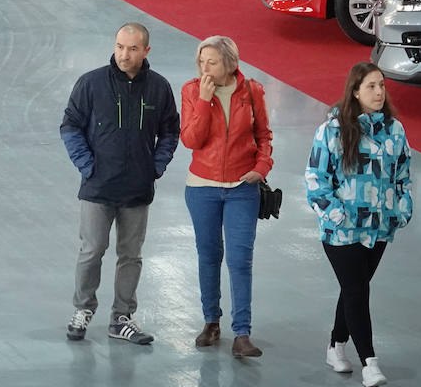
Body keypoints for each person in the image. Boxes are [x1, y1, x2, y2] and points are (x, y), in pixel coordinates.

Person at [60, 23, 180, 344]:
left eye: (132, 49)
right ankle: (83, 309)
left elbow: (170, 130)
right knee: (92, 250)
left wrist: (155, 166)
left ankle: (122, 318)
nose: (124, 55)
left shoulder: (158, 88)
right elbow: (70, 126)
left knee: (131, 255)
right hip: (98, 188)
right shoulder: (91, 84)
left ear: (146, 51)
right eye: (119, 47)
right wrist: (87, 166)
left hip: (137, 190)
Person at [305, 62, 413, 387]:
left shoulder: (395, 130)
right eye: (370, 86)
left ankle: (336, 345)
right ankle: (369, 362)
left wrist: (401, 210)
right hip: (341, 231)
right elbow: (316, 180)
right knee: (357, 290)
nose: (379, 92)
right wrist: (338, 216)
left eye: (381, 85)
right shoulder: (332, 131)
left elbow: (403, 176)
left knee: (354, 287)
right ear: (355, 92)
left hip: (378, 228)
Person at [179, 36, 273, 358]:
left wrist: (262, 166)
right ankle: (211, 322)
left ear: (230, 64)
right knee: (208, 255)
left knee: (239, 259)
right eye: (201, 62)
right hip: (202, 187)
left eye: (212, 62)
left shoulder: (253, 91)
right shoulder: (192, 91)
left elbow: (263, 135)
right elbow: (191, 140)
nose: (205, 68)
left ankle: (242, 333)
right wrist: (204, 101)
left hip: (242, 188)